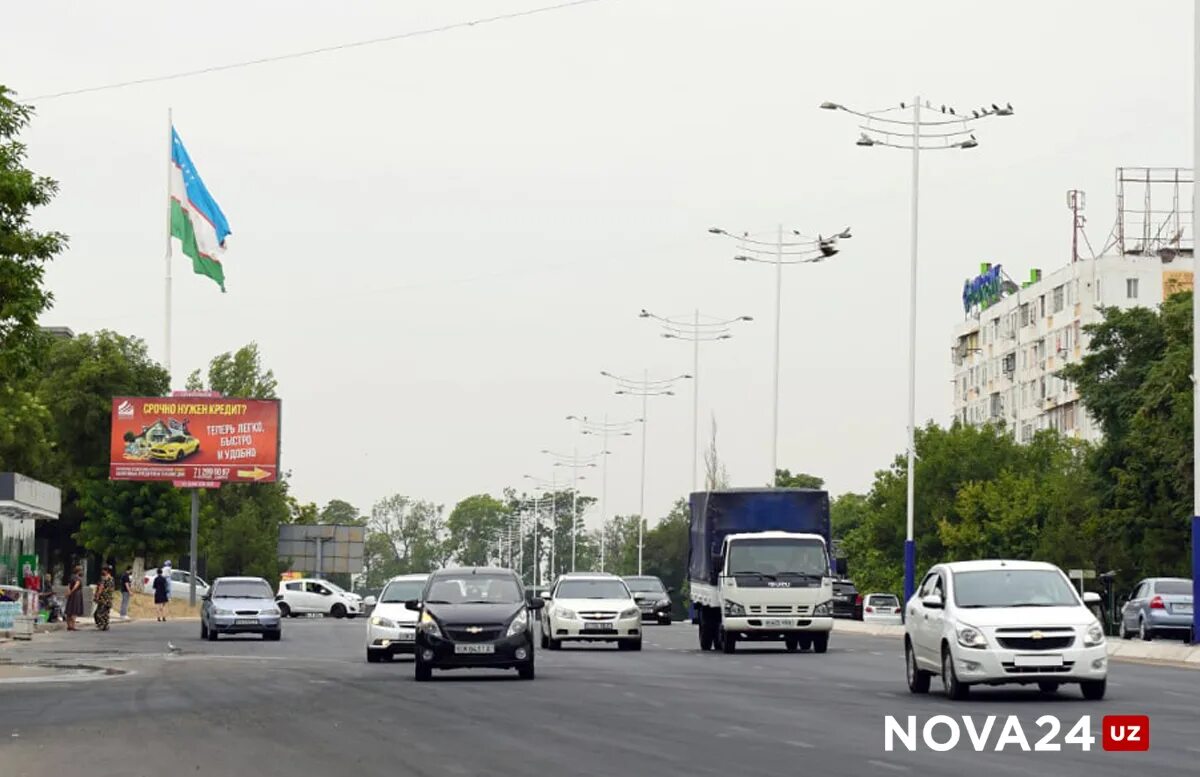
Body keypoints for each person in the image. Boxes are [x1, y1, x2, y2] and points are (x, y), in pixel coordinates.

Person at [93, 566, 115, 631]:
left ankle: (101, 624)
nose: (102, 572)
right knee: (106, 612)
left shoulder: (104, 579)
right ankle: (106, 625)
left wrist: (97, 595)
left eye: (103, 570)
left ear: (106, 571)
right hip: (109, 598)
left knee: (99, 612)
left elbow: (101, 587)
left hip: (103, 597)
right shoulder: (112, 579)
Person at [65, 565, 84, 631]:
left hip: (71, 595)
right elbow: (76, 585)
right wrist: (72, 591)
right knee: (74, 610)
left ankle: (69, 626)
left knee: (69, 610)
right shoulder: (78, 578)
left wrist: (68, 592)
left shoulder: (72, 577)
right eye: (81, 570)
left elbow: (69, 585)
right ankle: (72, 626)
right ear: (79, 571)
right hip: (76, 595)